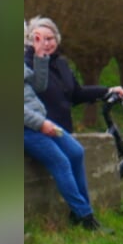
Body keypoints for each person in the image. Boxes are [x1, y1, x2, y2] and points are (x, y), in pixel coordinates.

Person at [22, 62, 98, 229]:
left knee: (76, 152)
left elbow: (39, 87)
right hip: (27, 129)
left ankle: (78, 211)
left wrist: (40, 58)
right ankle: (86, 217)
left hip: (41, 120)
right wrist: (41, 124)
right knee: (60, 162)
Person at [24, 16, 123, 135]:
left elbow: (77, 94)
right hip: (42, 132)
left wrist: (107, 91)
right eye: (39, 39)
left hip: (64, 131)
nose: (46, 44)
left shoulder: (61, 63)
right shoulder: (27, 65)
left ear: (57, 39)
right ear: (31, 41)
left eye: (50, 39)